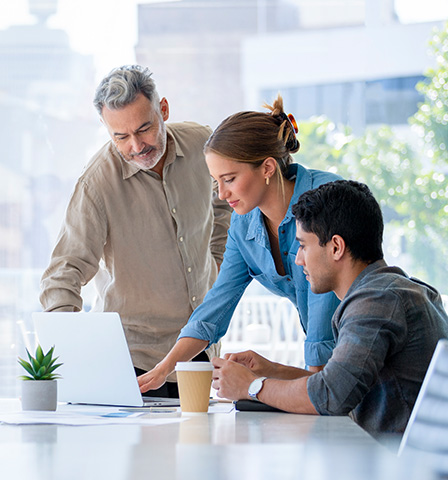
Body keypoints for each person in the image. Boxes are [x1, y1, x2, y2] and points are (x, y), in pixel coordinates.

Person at [39, 65, 232, 398]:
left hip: (199, 351)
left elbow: (224, 203)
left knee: (200, 448)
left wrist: (215, 262)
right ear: (106, 129)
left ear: (164, 110)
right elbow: (62, 275)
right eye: (121, 136)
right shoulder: (96, 184)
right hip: (134, 362)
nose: (136, 146)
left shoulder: (203, 143)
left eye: (144, 129)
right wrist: (75, 358)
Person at [211, 180, 448, 439]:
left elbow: (331, 395)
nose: (298, 259)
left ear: (336, 247)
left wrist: (251, 386)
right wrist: (270, 371)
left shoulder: (377, 300)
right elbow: (340, 383)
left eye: (303, 245)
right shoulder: (391, 289)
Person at [138, 96, 342, 394]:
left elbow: (323, 320)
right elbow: (214, 308)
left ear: (268, 168)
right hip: (333, 371)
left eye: (230, 179)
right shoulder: (244, 225)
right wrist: (163, 369)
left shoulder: (325, 200)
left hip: (367, 352)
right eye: (216, 182)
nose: (222, 194)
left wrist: (292, 389)